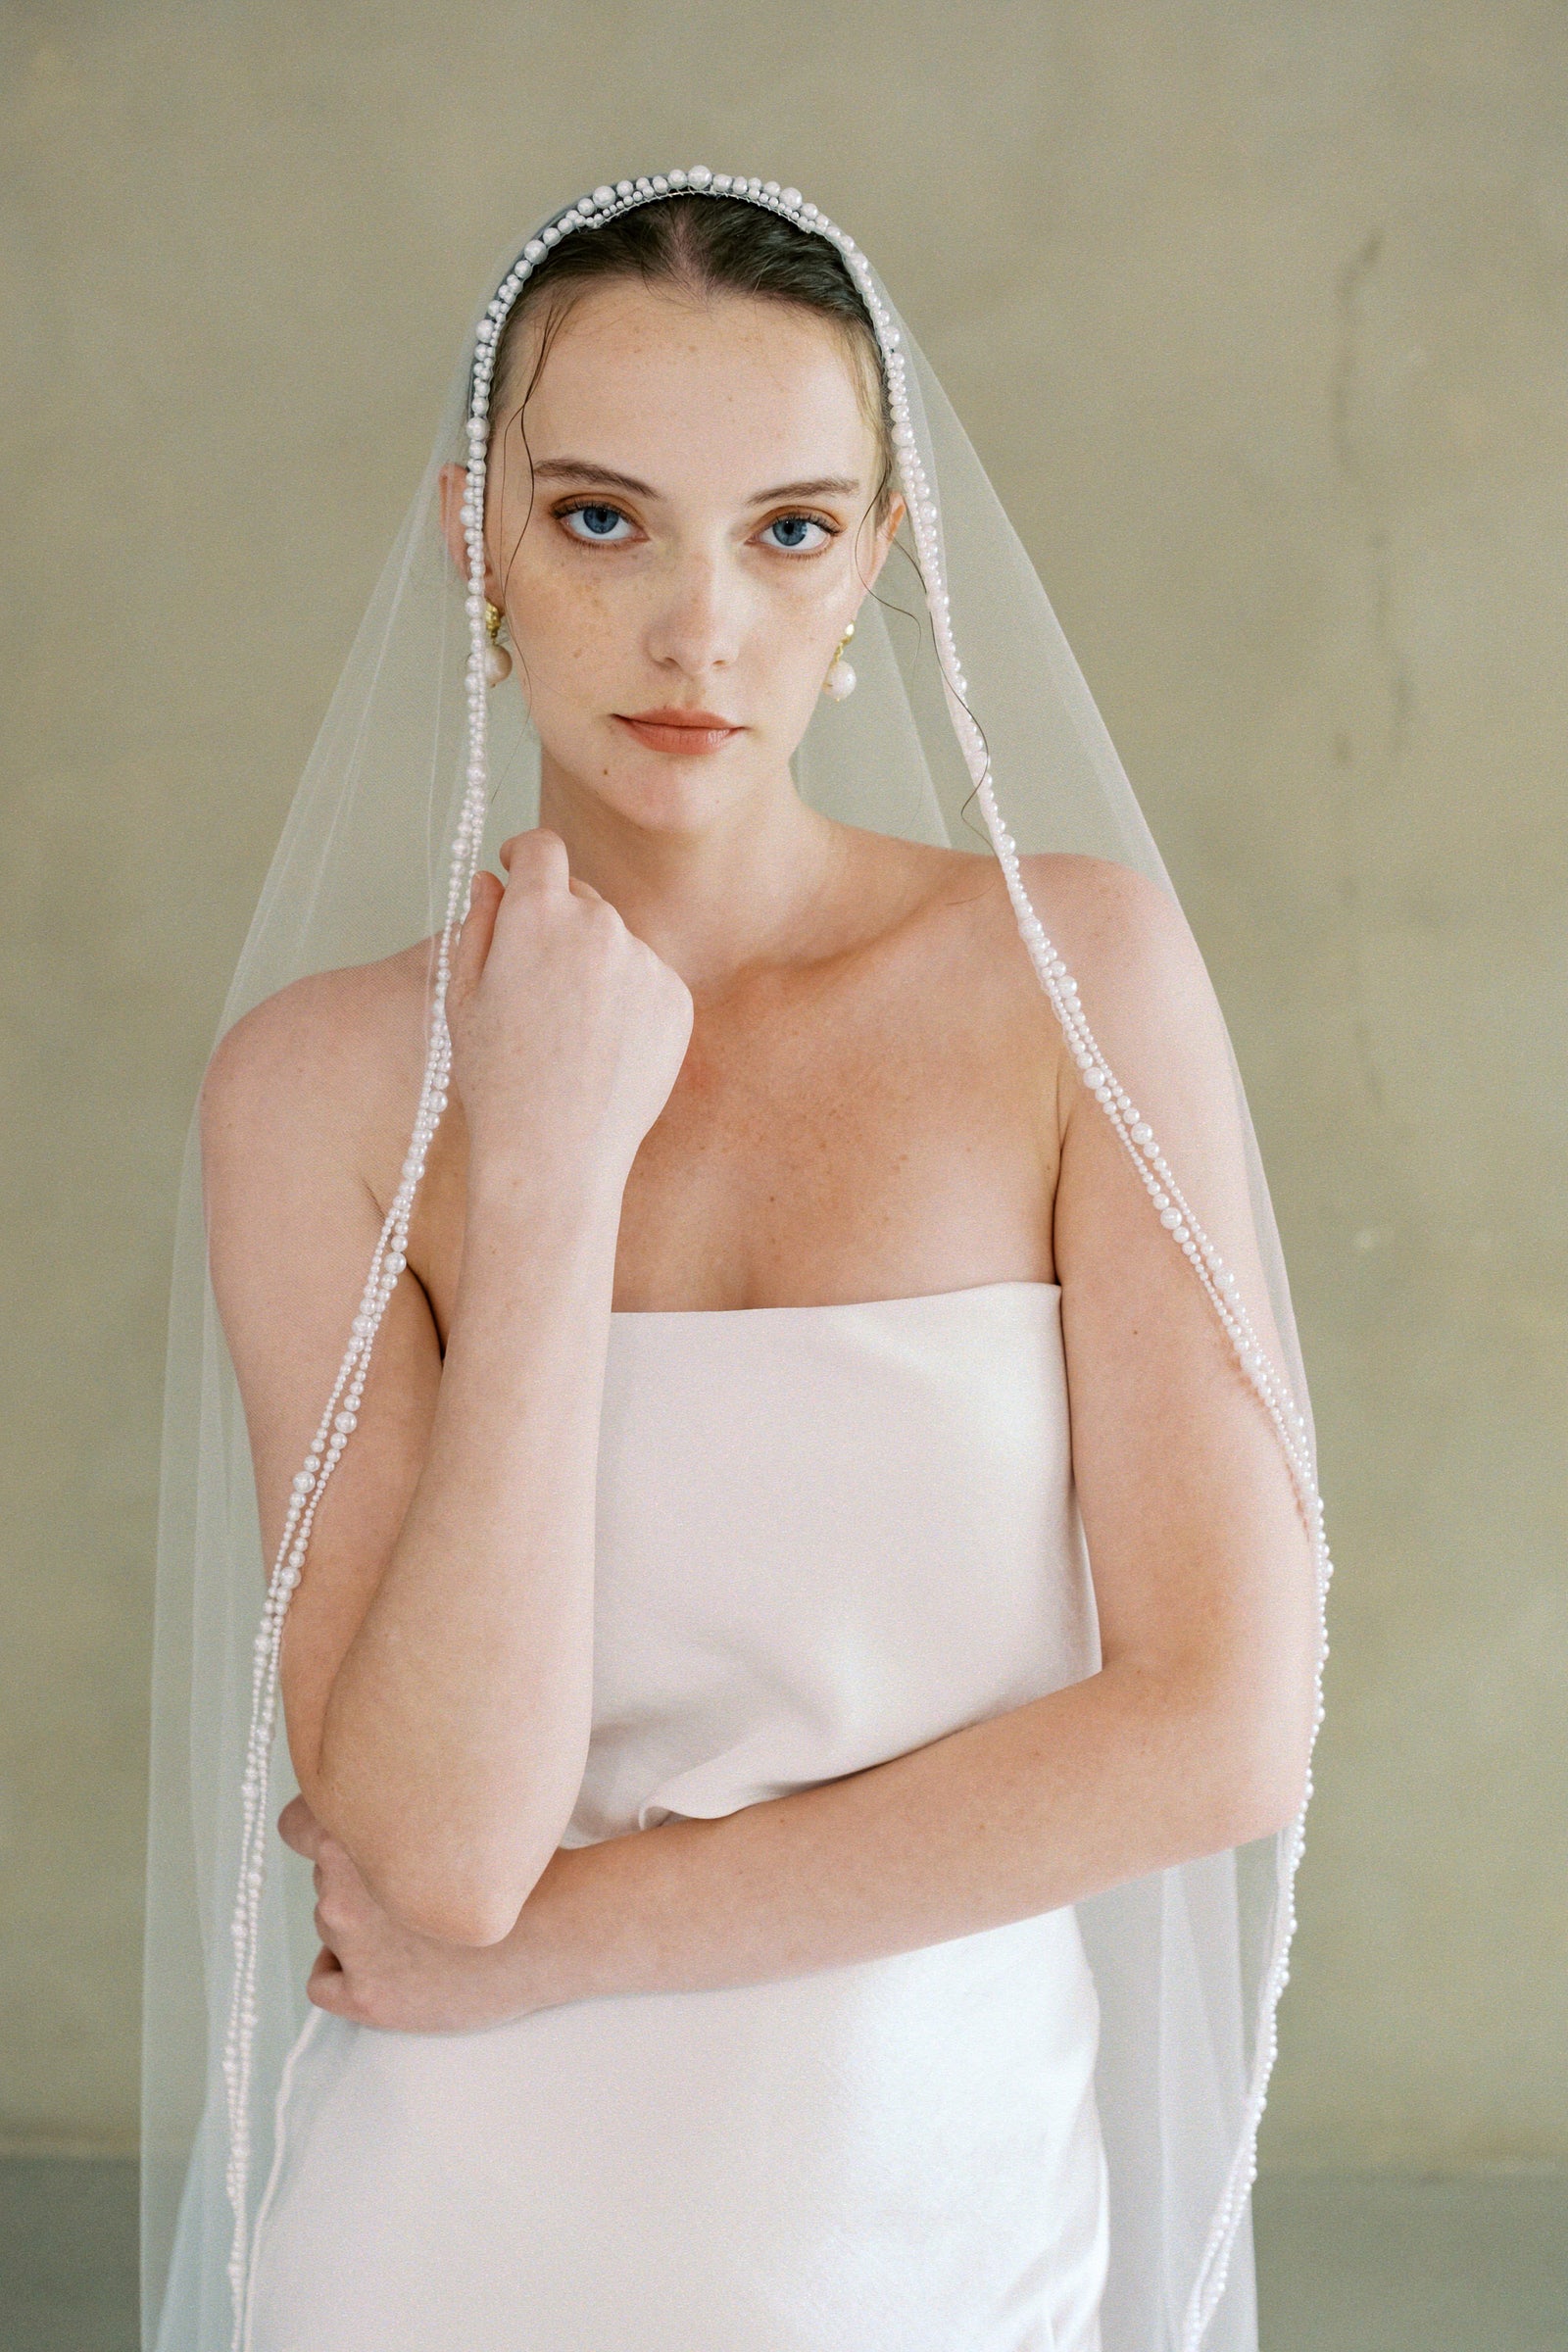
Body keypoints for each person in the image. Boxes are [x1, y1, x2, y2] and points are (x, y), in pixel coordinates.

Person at [142, 174, 1330, 2352]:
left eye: (785, 530)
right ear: (471, 539)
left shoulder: (1068, 980)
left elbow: (1217, 1732)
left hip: (936, 2231)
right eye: (601, 520)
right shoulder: (317, 1093)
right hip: (445, 2242)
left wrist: (568, 1941)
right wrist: (555, 1166)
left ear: (875, 562)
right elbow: (432, 1857)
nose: (699, 629)